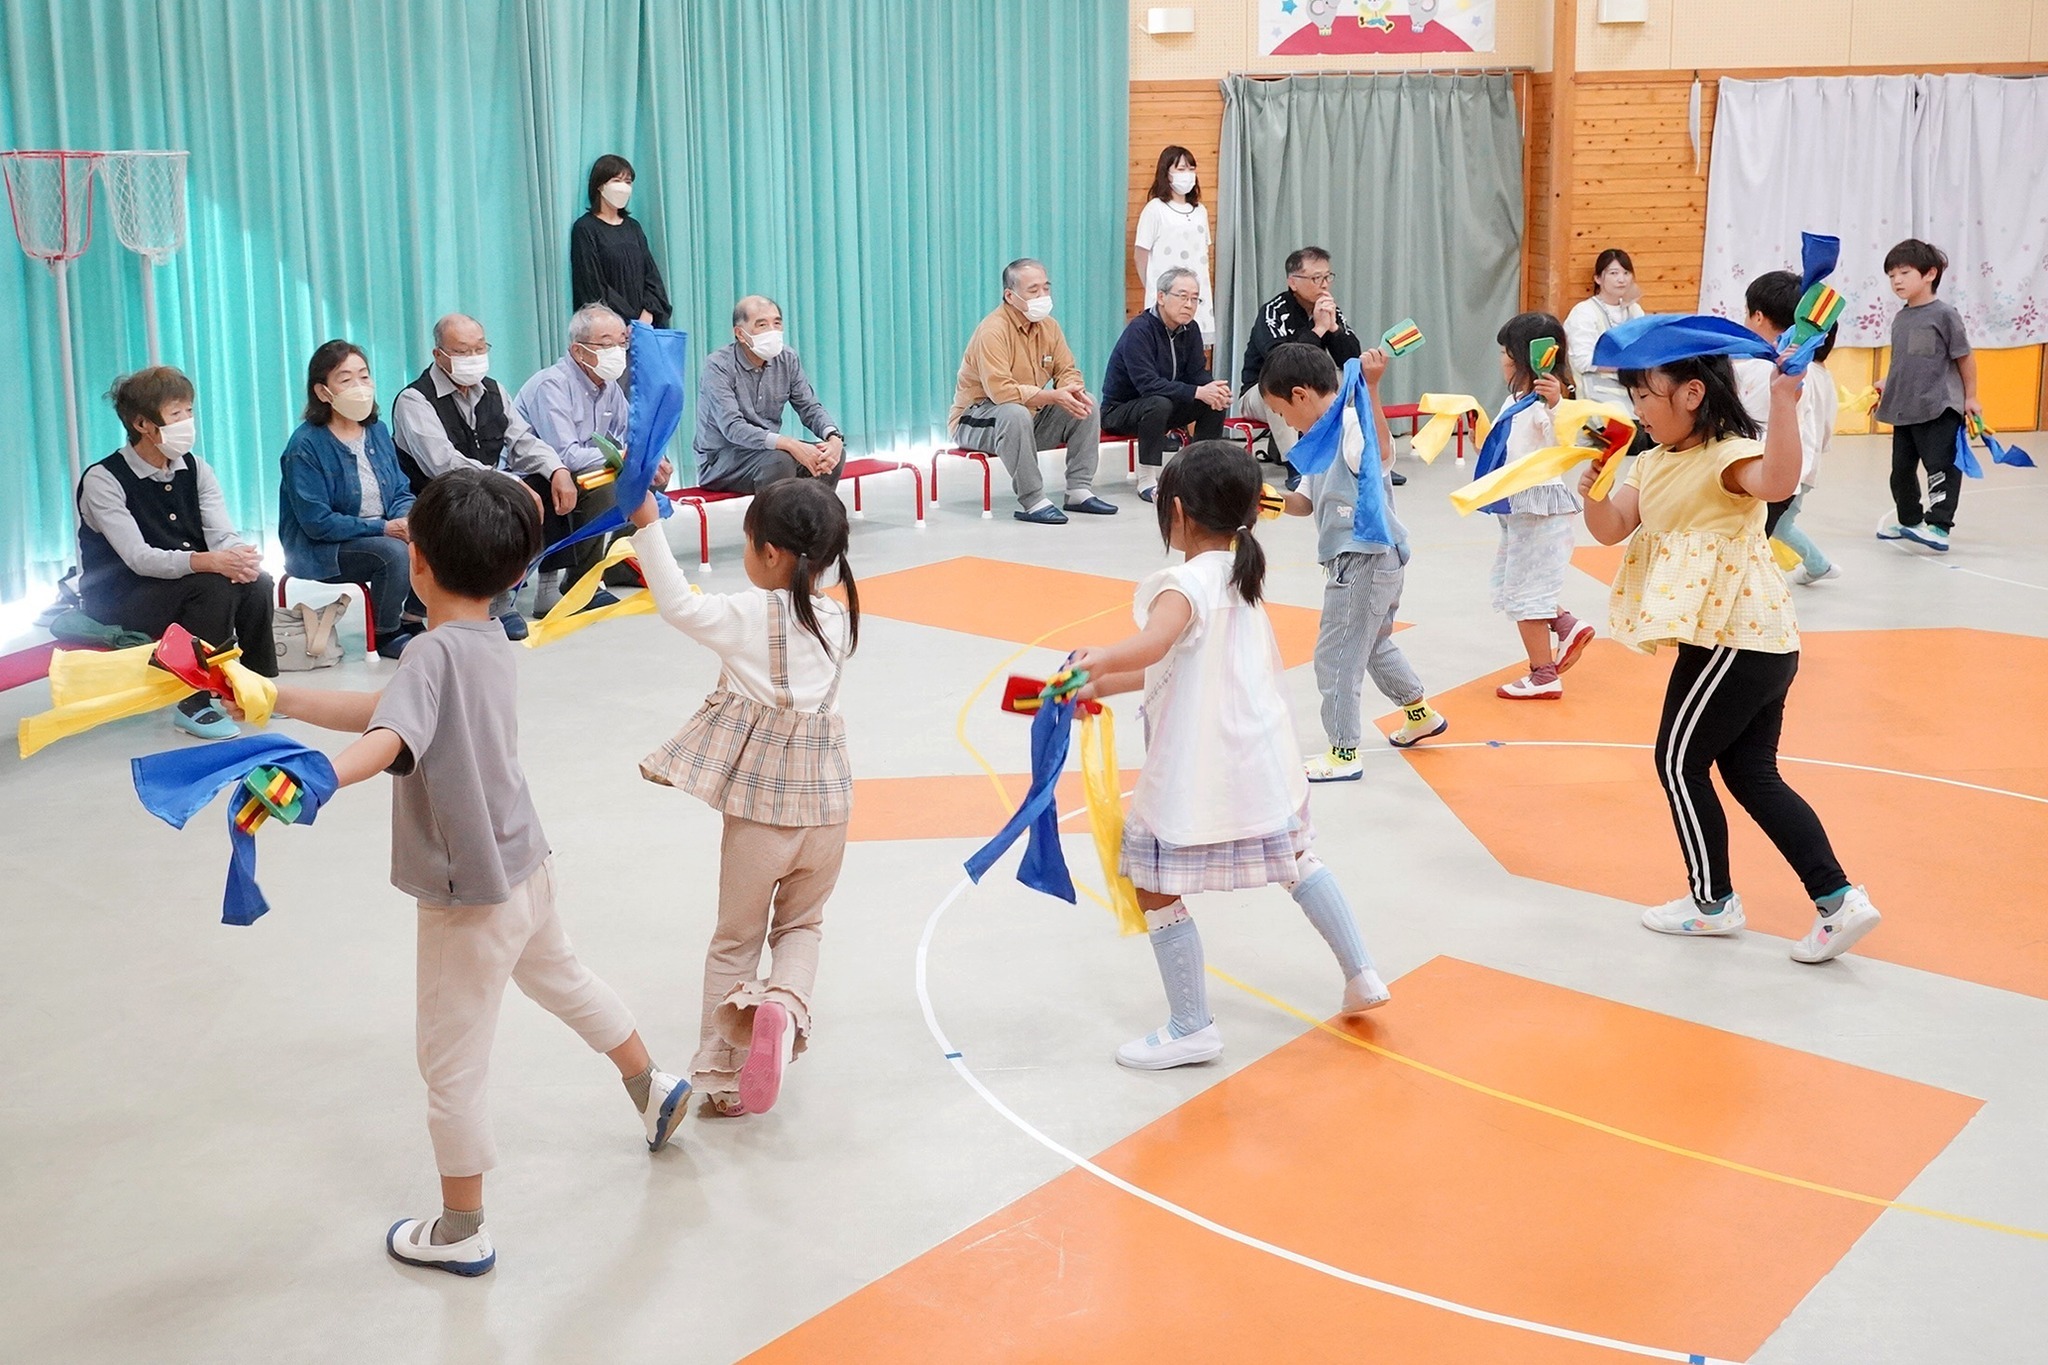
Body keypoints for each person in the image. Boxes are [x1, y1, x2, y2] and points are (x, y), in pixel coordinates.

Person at [254, 467, 689, 1276]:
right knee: (565, 978)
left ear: (416, 563)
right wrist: (281, 698)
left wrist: (318, 777)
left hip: (470, 893)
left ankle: (462, 1226)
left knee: (450, 1061)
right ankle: (651, 1082)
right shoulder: (487, 637)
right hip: (526, 861)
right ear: (516, 571)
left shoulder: (428, 652)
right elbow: (396, 712)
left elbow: (390, 737)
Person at [1067, 441, 1390, 1071]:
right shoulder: (1240, 572)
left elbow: (1155, 640)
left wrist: (1098, 659)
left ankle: (1191, 1025)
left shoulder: (1182, 582)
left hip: (1198, 768)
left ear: (1178, 512)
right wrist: (1102, 686)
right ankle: (1362, 973)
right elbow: (1179, 659)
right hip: (1262, 757)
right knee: (1298, 859)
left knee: (1153, 885)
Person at [1579, 317, 1880, 964]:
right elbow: (1611, 529)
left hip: (1734, 639)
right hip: (1754, 640)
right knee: (1749, 771)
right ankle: (1838, 899)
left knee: (1676, 760)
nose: (1637, 409)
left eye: (1645, 395)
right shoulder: (1652, 461)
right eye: (1631, 396)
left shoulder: (1726, 457)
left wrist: (1782, 400)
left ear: (1692, 394)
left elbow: (1776, 482)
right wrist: (1592, 488)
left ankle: (1712, 902)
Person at [626, 478, 857, 1117]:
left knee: (735, 941)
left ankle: (723, 1083)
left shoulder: (748, 617)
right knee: (802, 925)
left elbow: (676, 604)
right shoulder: (840, 618)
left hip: (764, 815)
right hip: (831, 810)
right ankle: (781, 1006)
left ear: (772, 554)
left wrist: (648, 524)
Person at [1261, 344, 1447, 783]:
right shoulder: (1320, 439)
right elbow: (1305, 502)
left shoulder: (1349, 424)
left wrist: (1375, 389)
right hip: (1373, 559)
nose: (1285, 422)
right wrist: (1263, 500)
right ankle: (1419, 714)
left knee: (1336, 655)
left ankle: (1344, 752)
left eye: (1281, 411)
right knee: (1373, 644)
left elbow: (1381, 454)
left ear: (1301, 395)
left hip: (1362, 557)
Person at [77, 366, 277, 740]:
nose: (187, 422)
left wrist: (239, 557)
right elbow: (139, 558)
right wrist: (208, 562)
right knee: (212, 588)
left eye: (189, 411)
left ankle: (255, 686)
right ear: (142, 424)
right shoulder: (103, 478)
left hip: (183, 583)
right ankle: (194, 699)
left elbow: (221, 534)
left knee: (256, 582)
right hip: (122, 595)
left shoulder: (196, 468)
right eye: (175, 414)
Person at [391, 313, 574, 638]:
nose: (473, 358)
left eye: (479, 348)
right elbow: (442, 463)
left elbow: (522, 441)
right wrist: (509, 484)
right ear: (439, 355)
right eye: (462, 351)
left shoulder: (493, 390)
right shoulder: (414, 399)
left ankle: (532, 587)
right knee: (492, 504)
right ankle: (493, 605)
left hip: (485, 488)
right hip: (437, 498)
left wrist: (556, 467)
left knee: (545, 482)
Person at [514, 303, 670, 612]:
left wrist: (654, 459)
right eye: (606, 344)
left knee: (648, 476)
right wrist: (625, 457)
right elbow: (566, 455)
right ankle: (579, 579)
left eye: (621, 343)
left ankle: (616, 562)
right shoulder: (553, 385)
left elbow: (632, 433)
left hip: (579, 471)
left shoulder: (607, 384)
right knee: (607, 488)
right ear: (579, 350)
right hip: (538, 477)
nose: (617, 351)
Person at [279, 340, 421, 657]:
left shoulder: (378, 430)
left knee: (429, 533)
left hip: (383, 531)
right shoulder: (305, 446)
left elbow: (399, 489)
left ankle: (413, 615)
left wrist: (407, 519)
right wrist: (385, 529)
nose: (359, 386)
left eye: (364, 376)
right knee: (394, 552)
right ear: (323, 392)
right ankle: (386, 633)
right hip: (322, 547)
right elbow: (318, 523)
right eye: (346, 379)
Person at [1480, 313, 1595, 700]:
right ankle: (1565, 624)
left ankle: (1544, 675)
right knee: (1515, 586)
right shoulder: (1515, 400)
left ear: (1521, 358)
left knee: (1527, 595)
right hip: (1518, 510)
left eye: (1504, 352)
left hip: (1539, 510)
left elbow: (1565, 436)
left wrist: (1556, 403)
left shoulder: (1548, 402)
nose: (1501, 360)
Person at [949, 258, 1116, 524]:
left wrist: (1071, 390)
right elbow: (1001, 392)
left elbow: (1067, 369)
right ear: (1010, 295)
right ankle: (1033, 500)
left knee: (1087, 403)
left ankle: (1078, 490)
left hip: (1029, 416)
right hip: (977, 419)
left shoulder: (1049, 327)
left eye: (1046, 289)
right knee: (1014, 413)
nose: (1043, 296)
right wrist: (1052, 396)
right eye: (1033, 290)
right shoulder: (992, 331)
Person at [1735, 272, 1839, 585]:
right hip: (1791, 472)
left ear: (1757, 316)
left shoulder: (1765, 370)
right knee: (1765, 535)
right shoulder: (1796, 371)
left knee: (1750, 546)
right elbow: (1823, 430)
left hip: (1769, 474)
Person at [1874, 238, 1978, 554]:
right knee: (1901, 471)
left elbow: (1964, 357)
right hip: (1905, 408)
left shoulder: (1944, 314)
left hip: (1939, 406)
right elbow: (1905, 360)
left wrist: (1970, 398)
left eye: (1904, 273)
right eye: (1892, 275)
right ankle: (1910, 521)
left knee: (1940, 468)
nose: (1897, 281)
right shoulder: (1901, 318)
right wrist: (1886, 385)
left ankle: (1939, 526)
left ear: (1930, 274)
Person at [694, 296, 846, 494]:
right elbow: (732, 427)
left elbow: (809, 406)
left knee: (831, 456)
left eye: (777, 323)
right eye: (762, 325)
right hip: (722, 459)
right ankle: (773, 524)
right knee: (780, 460)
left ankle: (812, 521)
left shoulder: (787, 358)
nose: (772, 331)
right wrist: (789, 444)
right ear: (740, 334)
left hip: (770, 451)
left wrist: (833, 437)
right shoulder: (718, 366)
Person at [1234, 247, 1364, 478]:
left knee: (1354, 380)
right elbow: (1280, 363)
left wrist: (1333, 328)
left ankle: (1359, 458)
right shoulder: (1273, 312)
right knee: (1280, 387)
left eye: (1327, 277)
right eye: (1316, 278)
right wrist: (1318, 329)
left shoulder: (1329, 309)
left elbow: (1351, 358)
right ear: (1293, 282)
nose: (1324, 284)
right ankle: (1297, 467)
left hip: (1309, 389)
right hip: (1258, 392)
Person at [1101, 267, 1230, 499]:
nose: (1189, 304)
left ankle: (1197, 472)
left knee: (1214, 401)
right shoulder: (1139, 330)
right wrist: (1198, 391)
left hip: (1166, 404)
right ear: (1161, 297)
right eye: (1182, 296)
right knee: (1157, 403)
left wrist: (1213, 390)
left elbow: (1197, 373)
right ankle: (1147, 480)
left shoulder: (1191, 329)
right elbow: (1147, 385)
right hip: (1122, 410)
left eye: (1194, 298)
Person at [570, 153, 671, 328]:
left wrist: (646, 315)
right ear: (600, 186)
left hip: (645, 327)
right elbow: (592, 287)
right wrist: (626, 321)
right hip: (608, 329)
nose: (623, 187)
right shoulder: (585, 228)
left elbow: (652, 277)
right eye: (617, 180)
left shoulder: (633, 227)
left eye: (628, 182)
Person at [1133, 145, 1215, 345]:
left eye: (1191, 169)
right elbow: (1140, 254)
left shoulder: (1200, 211)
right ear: (1166, 173)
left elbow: (1204, 254)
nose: (1187, 174)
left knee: (1193, 347)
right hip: (1166, 293)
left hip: (1196, 293)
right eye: (1180, 169)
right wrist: (1154, 287)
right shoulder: (1155, 210)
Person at [1564, 248, 1646, 412]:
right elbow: (1582, 361)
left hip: (1635, 393)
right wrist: (1623, 364)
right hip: (1597, 397)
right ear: (1598, 278)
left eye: (1626, 273)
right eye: (1614, 273)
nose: (1621, 279)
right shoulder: (1584, 312)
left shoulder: (1635, 310)